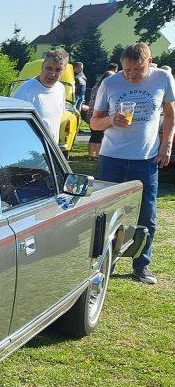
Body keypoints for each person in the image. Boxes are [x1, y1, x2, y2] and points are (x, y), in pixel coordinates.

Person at [90, 42, 175, 285]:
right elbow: (94, 122)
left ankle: (141, 265)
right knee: (107, 214)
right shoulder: (110, 83)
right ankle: (105, 262)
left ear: (150, 62)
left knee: (147, 216)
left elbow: (170, 115)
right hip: (112, 158)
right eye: (127, 70)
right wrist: (110, 120)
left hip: (146, 159)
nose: (131, 75)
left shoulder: (163, 78)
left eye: (137, 69)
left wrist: (166, 146)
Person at [11, 48, 69, 138]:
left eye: (58, 70)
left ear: (64, 70)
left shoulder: (60, 89)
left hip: (50, 146)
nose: (52, 73)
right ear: (42, 66)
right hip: (29, 146)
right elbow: (12, 125)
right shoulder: (25, 91)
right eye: (49, 68)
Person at [85, 70, 113, 160]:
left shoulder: (95, 87)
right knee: (99, 136)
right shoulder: (105, 89)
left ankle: (91, 155)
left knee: (93, 136)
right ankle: (97, 155)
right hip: (100, 115)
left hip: (90, 114)